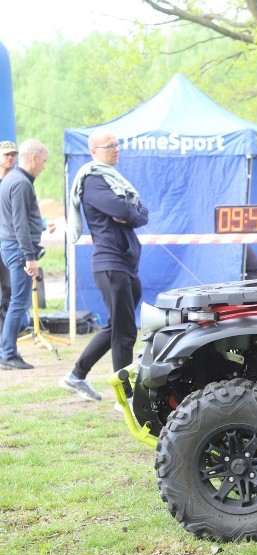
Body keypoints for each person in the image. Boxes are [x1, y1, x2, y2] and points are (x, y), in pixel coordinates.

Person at [59, 128, 149, 402]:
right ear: (95, 151)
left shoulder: (116, 181)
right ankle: (127, 398)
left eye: (117, 144)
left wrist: (130, 213)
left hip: (124, 263)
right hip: (111, 264)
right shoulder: (94, 181)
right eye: (110, 145)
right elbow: (125, 211)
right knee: (124, 333)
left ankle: (76, 375)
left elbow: (141, 213)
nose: (116, 149)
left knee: (116, 326)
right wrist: (129, 212)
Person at [0, 140, 49, 370]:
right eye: (44, 161)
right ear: (34, 158)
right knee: (18, 301)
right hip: (17, 248)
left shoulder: (12, 179)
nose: (44, 167)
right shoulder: (20, 183)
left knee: (15, 301)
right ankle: (8, 353)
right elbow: (19, 223)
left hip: (11, 245)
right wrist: (30, 256)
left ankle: (7, 350)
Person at [0, 141, 17, 334]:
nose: (10, 158)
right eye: (6, 154)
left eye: (13, 154)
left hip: (8, 245)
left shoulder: (16, 181)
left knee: (8, 291)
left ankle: (3, 338)